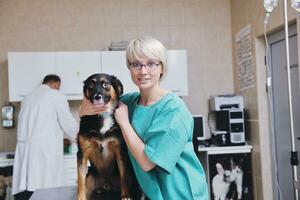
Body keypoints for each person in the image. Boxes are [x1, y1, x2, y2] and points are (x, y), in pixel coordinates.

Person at [80, 37, 208, 199]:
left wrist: (124, 123)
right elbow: (88, 107)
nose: (143, 71)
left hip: (180, 194)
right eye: (136, 64)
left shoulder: (173, 109)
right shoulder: (129, 102)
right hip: (149, 194)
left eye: (151, 63)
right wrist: (83, 109)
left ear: (162, 67)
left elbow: (147, 163)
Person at [12, 74, 79, 200]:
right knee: (46, 190)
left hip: (24, 151)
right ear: (56, 84)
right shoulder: (56, 95)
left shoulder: (27, 98)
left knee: (27, 189)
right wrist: (80, 139)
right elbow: (68, 124)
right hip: (44, 151)